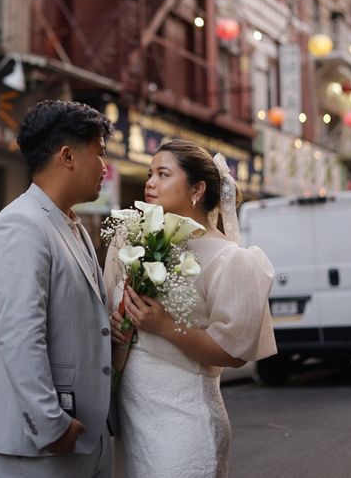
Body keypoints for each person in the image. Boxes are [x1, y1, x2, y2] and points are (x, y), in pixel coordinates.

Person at [104, 139, 277, 478]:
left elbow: (234, 353)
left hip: (183, 422)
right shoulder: (132, 239)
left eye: (163, 174)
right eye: (150, 173)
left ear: (198, 188)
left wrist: (166, 326)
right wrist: (116, 324)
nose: (150, 182)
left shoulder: (231, 259)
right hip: (131, 420)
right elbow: (112, 307)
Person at [0, 99, 114, 478]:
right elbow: (20, 333)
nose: (105, 167)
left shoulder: (72, 225)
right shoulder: (21, 225)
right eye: (99, 154)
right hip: (39, 448)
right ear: (67, 156)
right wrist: (51, 424)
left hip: (87, 439)